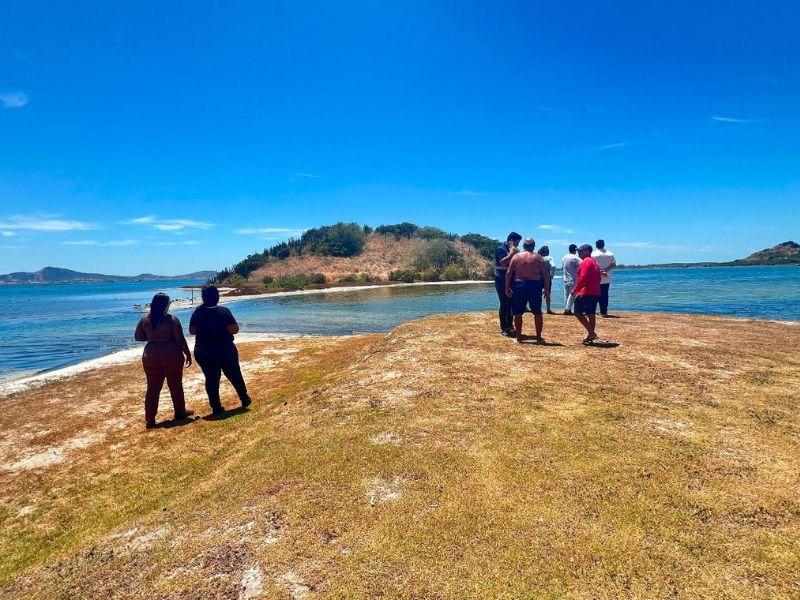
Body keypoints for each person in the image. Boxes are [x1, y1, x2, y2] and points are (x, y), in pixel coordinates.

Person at [189, 286, 252, 416]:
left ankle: (216, 407)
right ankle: (244, 398)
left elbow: (192, 331)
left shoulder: (197, 313)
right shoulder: (224, 312)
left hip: (204, 351)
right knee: (234, 374)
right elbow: (234, 329)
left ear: (203, 298)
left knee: (211, 378)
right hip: (225, 349)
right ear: (217, 297)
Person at [134, 293, 194, 428]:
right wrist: (187, 353)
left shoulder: (144, 320)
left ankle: (150, 419)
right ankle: (180, 412)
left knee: (153, 388)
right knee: (175, 386)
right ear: (166, 305)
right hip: (171, 355)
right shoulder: (172, 320)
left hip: (151, 356)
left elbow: (138, 337)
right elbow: (180, 339)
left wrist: (152, 338)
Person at [505, 238, 550, 343]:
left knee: (518, 313)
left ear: (524, 246)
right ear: (533, 246)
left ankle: (519, 338)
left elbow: (509, 273)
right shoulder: (538, 258)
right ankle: (538, 337)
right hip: (534, 286)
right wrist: (546, 289)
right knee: (537, 312)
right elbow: (545, 275)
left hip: (519, 285)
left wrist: (507, 287)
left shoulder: (516, 257)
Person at [571, 244, 602, 344]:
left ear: (587, 251)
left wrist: (575, 289)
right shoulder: (593, 262)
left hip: (586, 292)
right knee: (591, 314)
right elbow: (598, 277)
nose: (578, 253)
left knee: (577, 312)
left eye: (580, 251)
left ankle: (592, 333)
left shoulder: (586, 262)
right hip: (595, 291)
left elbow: (583, 278)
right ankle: (590, 335)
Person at [494, 232, 522, 337]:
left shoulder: (513, 250)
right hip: (501, 281)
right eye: (517, 242)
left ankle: (510, 326)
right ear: (511, 241)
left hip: (511, 281)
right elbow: (503, 263)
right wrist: (511, 253)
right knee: (504, 304)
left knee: (511, 304)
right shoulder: (500, 250)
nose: (518, 245)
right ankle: (504, 328)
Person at [591, 239, 617, 317]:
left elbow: (592, 265)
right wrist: (605, 270)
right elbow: (614, 264)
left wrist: (600, 271)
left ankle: (592, 310)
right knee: (605, 295)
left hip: (596, 277)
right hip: (607, 277)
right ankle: (604, 311)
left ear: (596, 245)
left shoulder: (593, 254)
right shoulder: (610, 254)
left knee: (595, 295)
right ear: (604, 245)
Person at [561, 244, 580, 315]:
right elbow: (582, 265)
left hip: (565, 278)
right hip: (573, 279)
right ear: (575, 250)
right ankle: (568, 309)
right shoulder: (576, 258)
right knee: (572, 295)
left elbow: (563, 267)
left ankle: (567, 309)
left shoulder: (564, 257)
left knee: (566, 295)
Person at [539, 246, 557, 315]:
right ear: (547, 251)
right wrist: (551, 275)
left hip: (539, 278)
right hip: (547, 278)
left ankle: (539, 309)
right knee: (548, 294)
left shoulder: (539, 258)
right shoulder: (549, 258)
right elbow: (553, 266)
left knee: (539, 294)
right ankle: (548, 309)